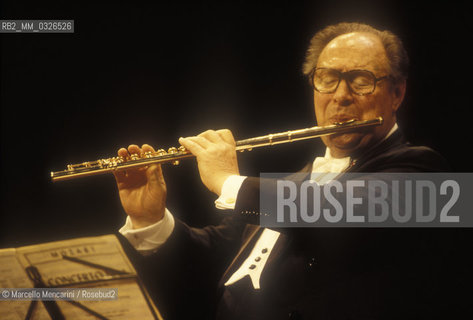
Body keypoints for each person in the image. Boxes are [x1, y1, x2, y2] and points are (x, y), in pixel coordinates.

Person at [115, 22, 457, 319]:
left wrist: (226, 181)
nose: (341, 95)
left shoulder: (429, 175)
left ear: (396, 93)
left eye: (361, 80)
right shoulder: (292, 185)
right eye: (327, 79)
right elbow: (216, 252)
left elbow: (332, 212)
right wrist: (152, 220)